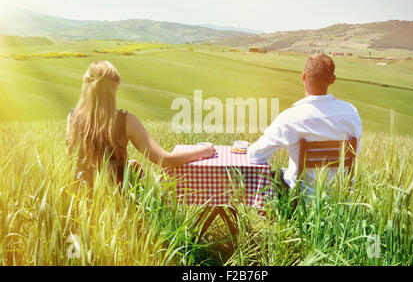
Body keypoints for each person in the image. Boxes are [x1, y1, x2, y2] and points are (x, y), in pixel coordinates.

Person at [66, 61, 215, 187]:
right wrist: (204, 151)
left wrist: (125, 163)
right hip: (117, 202)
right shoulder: (124, 120)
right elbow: (165, 160)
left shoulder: (73, 117)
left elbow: (77, 159)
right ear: (113, 91)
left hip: (79, 197)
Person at [247, 54, 363, 195]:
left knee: (275, 175)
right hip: (341, 201)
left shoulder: (290, 118)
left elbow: (255, 155)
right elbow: (355, 152)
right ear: (332, 80)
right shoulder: (351, 113)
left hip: (301, 201)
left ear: (303, 77)